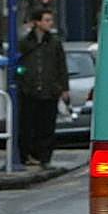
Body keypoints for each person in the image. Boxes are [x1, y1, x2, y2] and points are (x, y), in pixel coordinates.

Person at [18, 9, 69, 169]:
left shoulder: (54, 42)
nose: (50, 23)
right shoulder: (25, 42)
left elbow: (61, 65)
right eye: (46, 20)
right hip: (30, 91)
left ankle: (45, 158)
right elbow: (18, 63)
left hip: (49, 91)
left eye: (50, 20)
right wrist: (23, 82)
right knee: (28, 126)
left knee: (47, 127)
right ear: (37, 22)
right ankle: (27, 155)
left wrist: (63, 87)